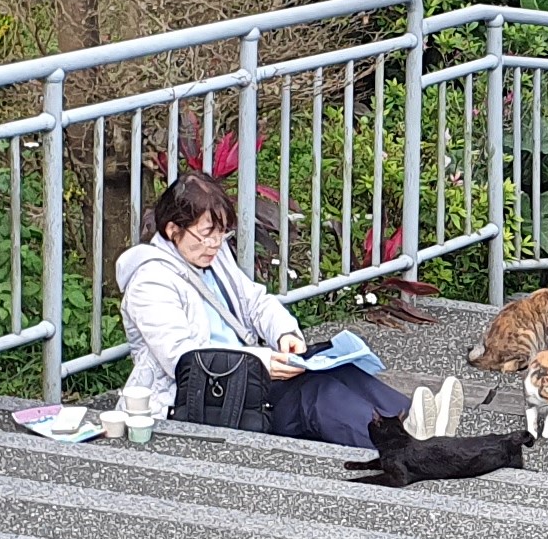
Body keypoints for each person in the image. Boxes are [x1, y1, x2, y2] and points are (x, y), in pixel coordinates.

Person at [117, 173, 458, 448]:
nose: (215, 244)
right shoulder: (151, 281)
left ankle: (414, 417)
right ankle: (401, 441)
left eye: (221, 233)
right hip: (199, 398)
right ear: (172, 230)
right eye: (206, 235)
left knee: (329, 363)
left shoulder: (210, 255)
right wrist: (259, 361)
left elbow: (254, 300)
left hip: (241, 374)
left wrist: (283, 333)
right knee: (313, 395)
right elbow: (182, 357)